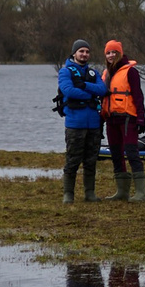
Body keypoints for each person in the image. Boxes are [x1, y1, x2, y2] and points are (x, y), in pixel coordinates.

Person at [54, 38, 107, 201]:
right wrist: (91, 95)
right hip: (75, 123)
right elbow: (69, 91)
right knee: (73, 159)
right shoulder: (65, 72)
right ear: (74, 53)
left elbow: (103, 89)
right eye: (81, 51)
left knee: (91, 160)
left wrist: (84, 86)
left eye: (87, 51)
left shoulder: (94, 73)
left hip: (94, 123)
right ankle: (68, 194)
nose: (84, 54)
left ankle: (89, 193)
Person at [100, 39, 145, 201]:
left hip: (128, 118)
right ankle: (122, 191)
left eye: (114, 52)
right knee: (115, 153)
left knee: (132, 152)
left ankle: (141, 193)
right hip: (111, 119)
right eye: (108, 52)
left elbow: (138, 96)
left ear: (120, 53)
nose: (111, 55)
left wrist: (141, 119)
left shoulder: (131, 72)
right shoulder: (106, 73)